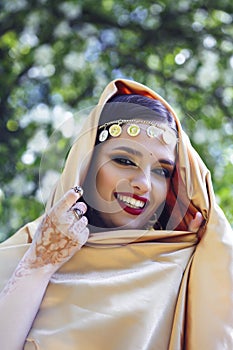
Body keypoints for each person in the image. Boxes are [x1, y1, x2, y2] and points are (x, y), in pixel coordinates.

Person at [0, 79, 232, 350]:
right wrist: (39, 265)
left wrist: (202, 257)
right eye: (124, 161)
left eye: (161, 171)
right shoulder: (24, 251)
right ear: (85, 166)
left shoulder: (186, 268)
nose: (144, 183)